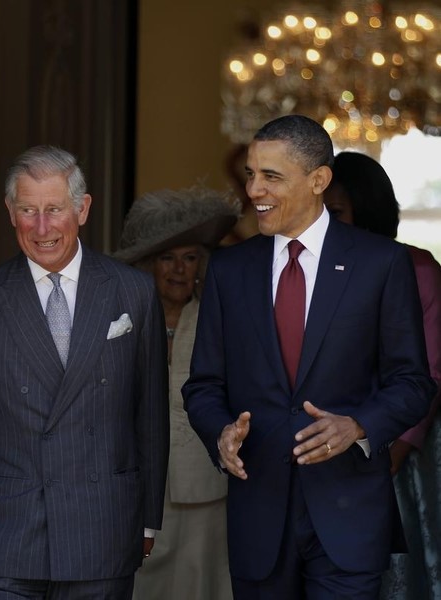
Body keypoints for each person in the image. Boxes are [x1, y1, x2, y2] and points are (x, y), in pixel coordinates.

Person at [182, 115, 436, 600]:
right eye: (252, 174)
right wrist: (220, 432)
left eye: (271, 176)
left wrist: (357, 425)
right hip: (258, 514)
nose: (254, 188)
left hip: (349, 515)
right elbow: (203, 385)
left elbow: (413, 383)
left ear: (319, 180)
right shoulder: (230, 270)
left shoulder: (382, 264)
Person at [0, 145, 170, 600]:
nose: (42, 228)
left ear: (82, 209)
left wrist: (146, 517)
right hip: (4, 535)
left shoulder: (133, 293)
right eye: (28, 211)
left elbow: (150, 417)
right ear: (9, 211)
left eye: (54, 210)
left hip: (101, 527)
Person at [324, 150, 441, 600]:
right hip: (328, 447)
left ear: (367, 209)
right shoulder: (321, 271)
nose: (326, 225)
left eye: (335, 212)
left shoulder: (419, 269)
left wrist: (388, 451)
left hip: (401, 451)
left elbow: (428, 371)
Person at [114, 185, 241, 600]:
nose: (179, 270)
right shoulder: (122, 320)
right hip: (135, 488)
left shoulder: (218, 320)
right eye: (167, 258)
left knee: (204, 586)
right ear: (148, 264)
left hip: (205, 489)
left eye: (189, 258)